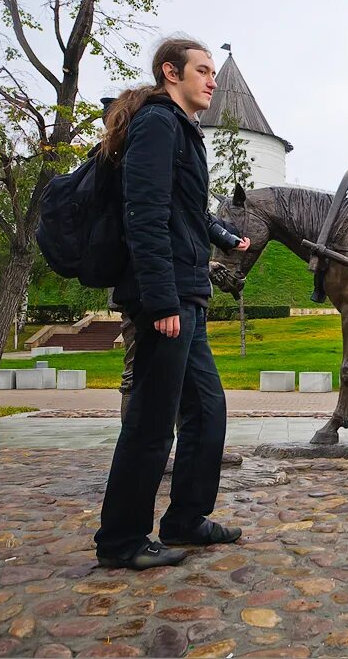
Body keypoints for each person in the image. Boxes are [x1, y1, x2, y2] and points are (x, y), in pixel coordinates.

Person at [93, 37, 251, 570]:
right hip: (168, 299)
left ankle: (185, 519)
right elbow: (144, 213)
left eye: (211, 70)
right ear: (171, 72)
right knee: (152, 421)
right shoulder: (158, 124)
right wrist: (161, 301)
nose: (211, 79)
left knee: (207, 410)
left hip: (189, 294)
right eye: (202, 70)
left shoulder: (182, 131)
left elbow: (185, 209)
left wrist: (225, 236)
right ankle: (120, 541)